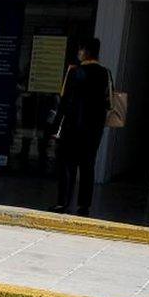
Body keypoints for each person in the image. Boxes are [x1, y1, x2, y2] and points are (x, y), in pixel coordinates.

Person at [49, 38, 110, 217]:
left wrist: (55, 127)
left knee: (68, 165)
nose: (78, 52)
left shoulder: (74, 71)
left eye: (80, 49)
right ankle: (84, 206)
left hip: (73, 126)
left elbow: (64, 101)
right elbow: (109, 102)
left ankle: (63, 203)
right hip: (94, 129)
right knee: (88, 166)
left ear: (85, 51)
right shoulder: (106, 73)